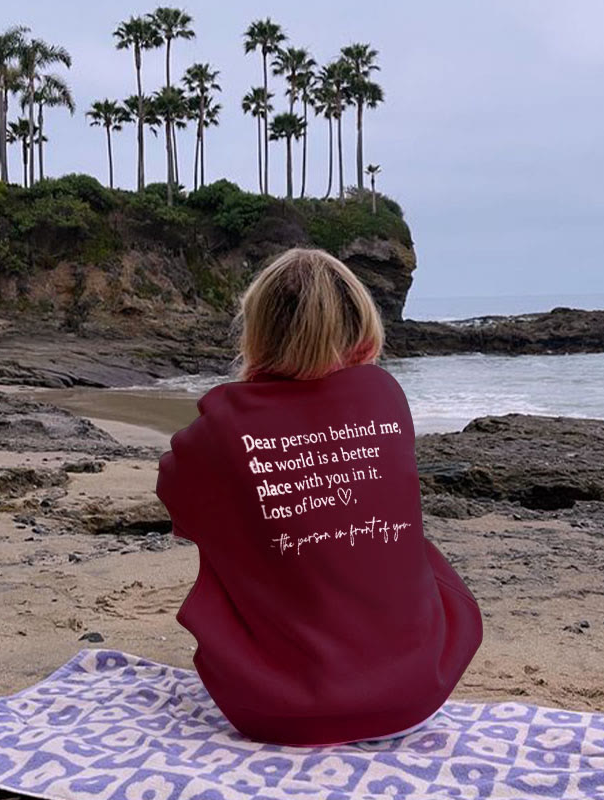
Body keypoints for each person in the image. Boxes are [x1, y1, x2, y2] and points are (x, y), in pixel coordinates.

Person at [156, 247, 483, 747]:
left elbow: (174, 492)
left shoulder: (219, 431)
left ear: (257, 333)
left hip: (276, 712)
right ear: (364, 335)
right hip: (420, 692)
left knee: (232, 534)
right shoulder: (385, 397)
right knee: (403, 543)